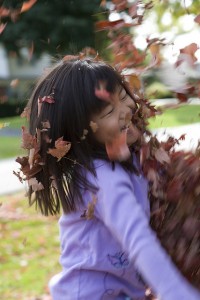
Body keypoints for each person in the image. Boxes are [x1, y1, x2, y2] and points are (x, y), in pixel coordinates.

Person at [20, 57, 200, 300]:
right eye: (109, 111)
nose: (126, 110)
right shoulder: (103, 178)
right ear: (82, 134)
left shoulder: (132, 160)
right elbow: (138, 240)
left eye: (124, 96)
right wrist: (176, 293)